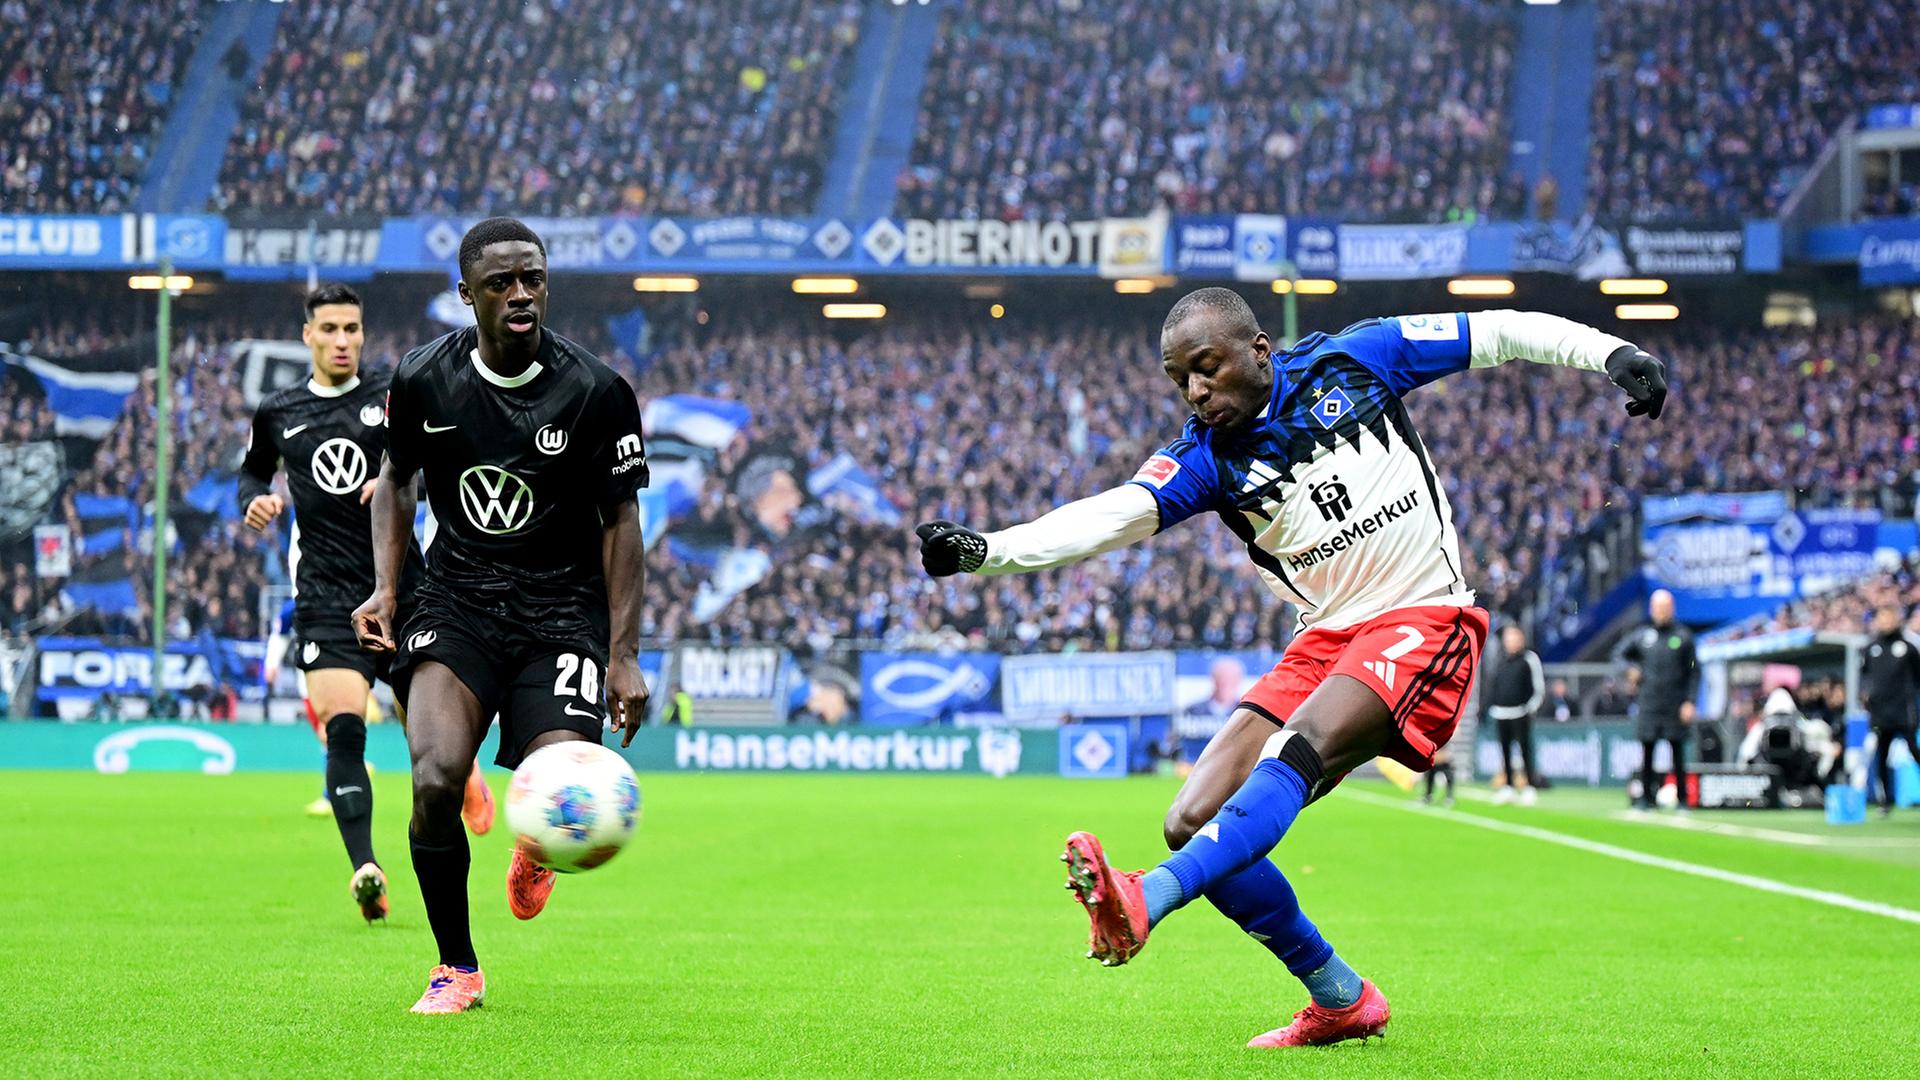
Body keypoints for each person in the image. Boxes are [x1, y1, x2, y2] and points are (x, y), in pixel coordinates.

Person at [915, 289, 1668, 1048]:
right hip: (1325, 641)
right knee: (1190, 819)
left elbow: (1499, 330)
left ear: (1259, 351)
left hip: (1423, 614)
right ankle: (1340, 995)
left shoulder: (1359, 359)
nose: (1197, 391)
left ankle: (1147, 898)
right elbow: (1114, 512)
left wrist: (1611, 354)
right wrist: (989, 550)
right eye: (1182, 381)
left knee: (1298, 746)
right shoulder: (1206, 457)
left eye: (1207, 369)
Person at [352, 217, 652, 1014]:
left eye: (533, 279)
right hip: (458, 600)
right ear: (466, 296)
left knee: (558, 785)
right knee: (433, 780)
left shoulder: (595, 391)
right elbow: (395, 482)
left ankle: (537, 842)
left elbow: (622, 522)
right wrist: (387, 588)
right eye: (501, 283)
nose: (521, 294)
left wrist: (623, 653)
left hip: (561, 612)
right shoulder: (423, 379)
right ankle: (457, 967)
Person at [238, 283, 493, 924]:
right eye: (330, 330)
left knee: (426, 734)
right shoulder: (278, 410)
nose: (343, 340)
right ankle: (365, 867)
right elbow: (252, 469)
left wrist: (398, 477)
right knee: (344, 728)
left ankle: (463, 776)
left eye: (352, 328)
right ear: (308, 336)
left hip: (405, 589)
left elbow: (446, 462)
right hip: (324, 595)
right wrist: (256, 498)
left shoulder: (393, 394)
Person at [1615, 590, 1698, 811]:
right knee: (1647, 751)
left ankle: (1682, 799)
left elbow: (1693, 672)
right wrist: (1629, 670)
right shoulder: (1642, 636)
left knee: (1677, 753)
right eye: (1657, 607)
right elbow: (1619, 655)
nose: (1661, 611)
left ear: (1672, 608)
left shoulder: (1683, 637)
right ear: (1652, 609)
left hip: (1675, 703)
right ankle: (1646, 799)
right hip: (1649, 702)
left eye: (1665, 607)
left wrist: (1689, 701)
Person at [1860, 605, 1920, 816]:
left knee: (1914, 750)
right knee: (1881, 755)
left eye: (1889, 617)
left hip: (1904, 711)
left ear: (1896, 619)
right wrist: (1867, 697)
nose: (1885, 622)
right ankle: (1884, 802)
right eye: (1882, 618)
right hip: (1880, 713)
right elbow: (1864, 678)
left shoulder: (1908, 648)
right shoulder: (1871, 649)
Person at [1484, 624, 1545, 805]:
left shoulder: (1529, 658)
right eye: (1508, 638)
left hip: (1520, 712)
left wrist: (1530, 707)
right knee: (1505, 752)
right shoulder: (1500, 660)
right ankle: (1508, 787)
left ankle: (1529, 787)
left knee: (1525, 750)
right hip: (1501, 712)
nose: (1511, 642)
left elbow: (1538, 686)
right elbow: (1493, 684)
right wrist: (1492, 706)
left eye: (1514, 637)